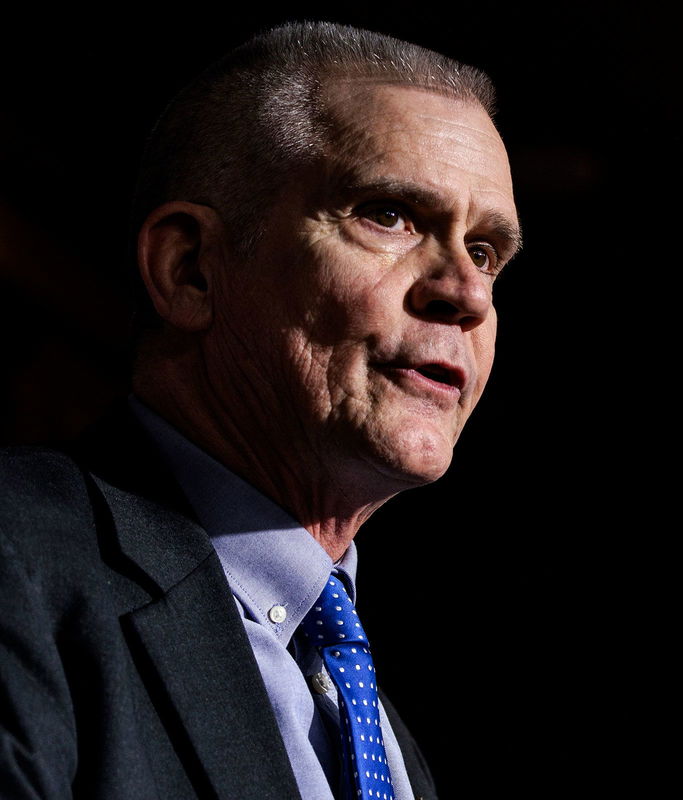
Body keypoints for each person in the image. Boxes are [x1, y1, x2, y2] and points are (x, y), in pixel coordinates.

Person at [0, 20, 520, 800]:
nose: (468, 294)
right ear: (190, 270)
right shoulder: (21, 563)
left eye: (485, 252)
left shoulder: (381, 737)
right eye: (389, 214)